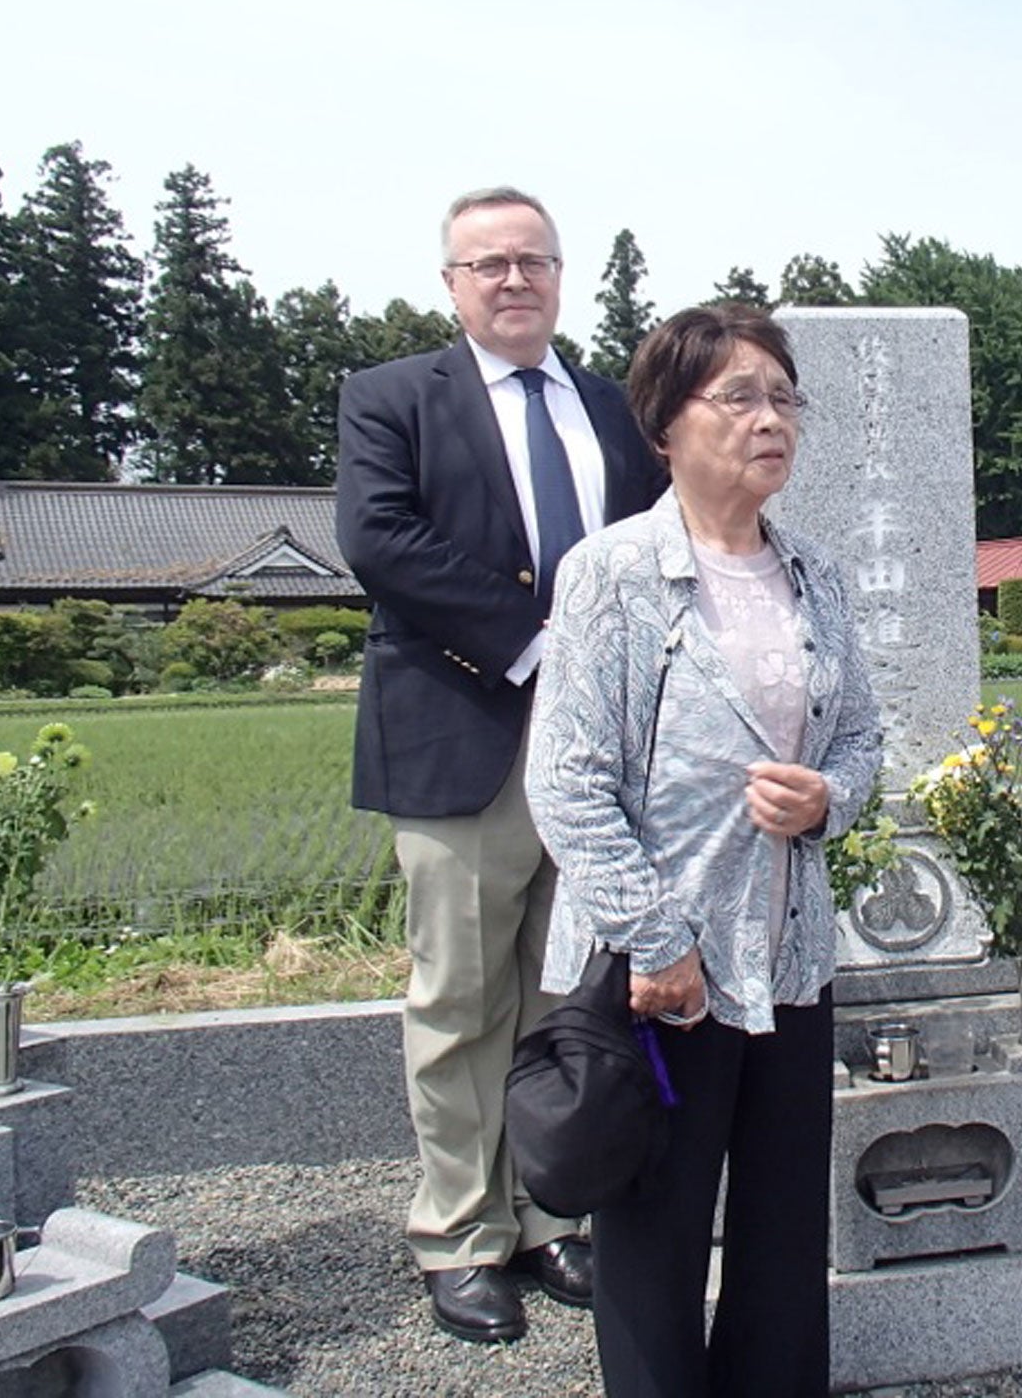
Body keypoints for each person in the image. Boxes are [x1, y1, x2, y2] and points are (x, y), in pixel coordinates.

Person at [527, 303, 882, 1398]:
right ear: (664, 424)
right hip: (659, 970)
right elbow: (567, 781)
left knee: (782, 1230)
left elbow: (863, 734)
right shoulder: (612, 574)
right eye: (737, 396)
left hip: (786, 950)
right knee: (656, 1234)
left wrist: (829, 797)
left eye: (783, 397)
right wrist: (653, 941)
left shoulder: (812, 571)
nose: (768, 419)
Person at [335, 186, 664, 1344]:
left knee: (562, 994)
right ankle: (458, 1233)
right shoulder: (391, 399)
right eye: (489, 264)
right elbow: (378, 537)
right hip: (464, 730)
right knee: (461, 996)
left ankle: (540, 1215)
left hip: (602, 749)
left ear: (561, 275)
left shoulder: (616, 411)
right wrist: (540, 644)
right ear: (451, 284)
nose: (513, 279)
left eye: (532, 259)